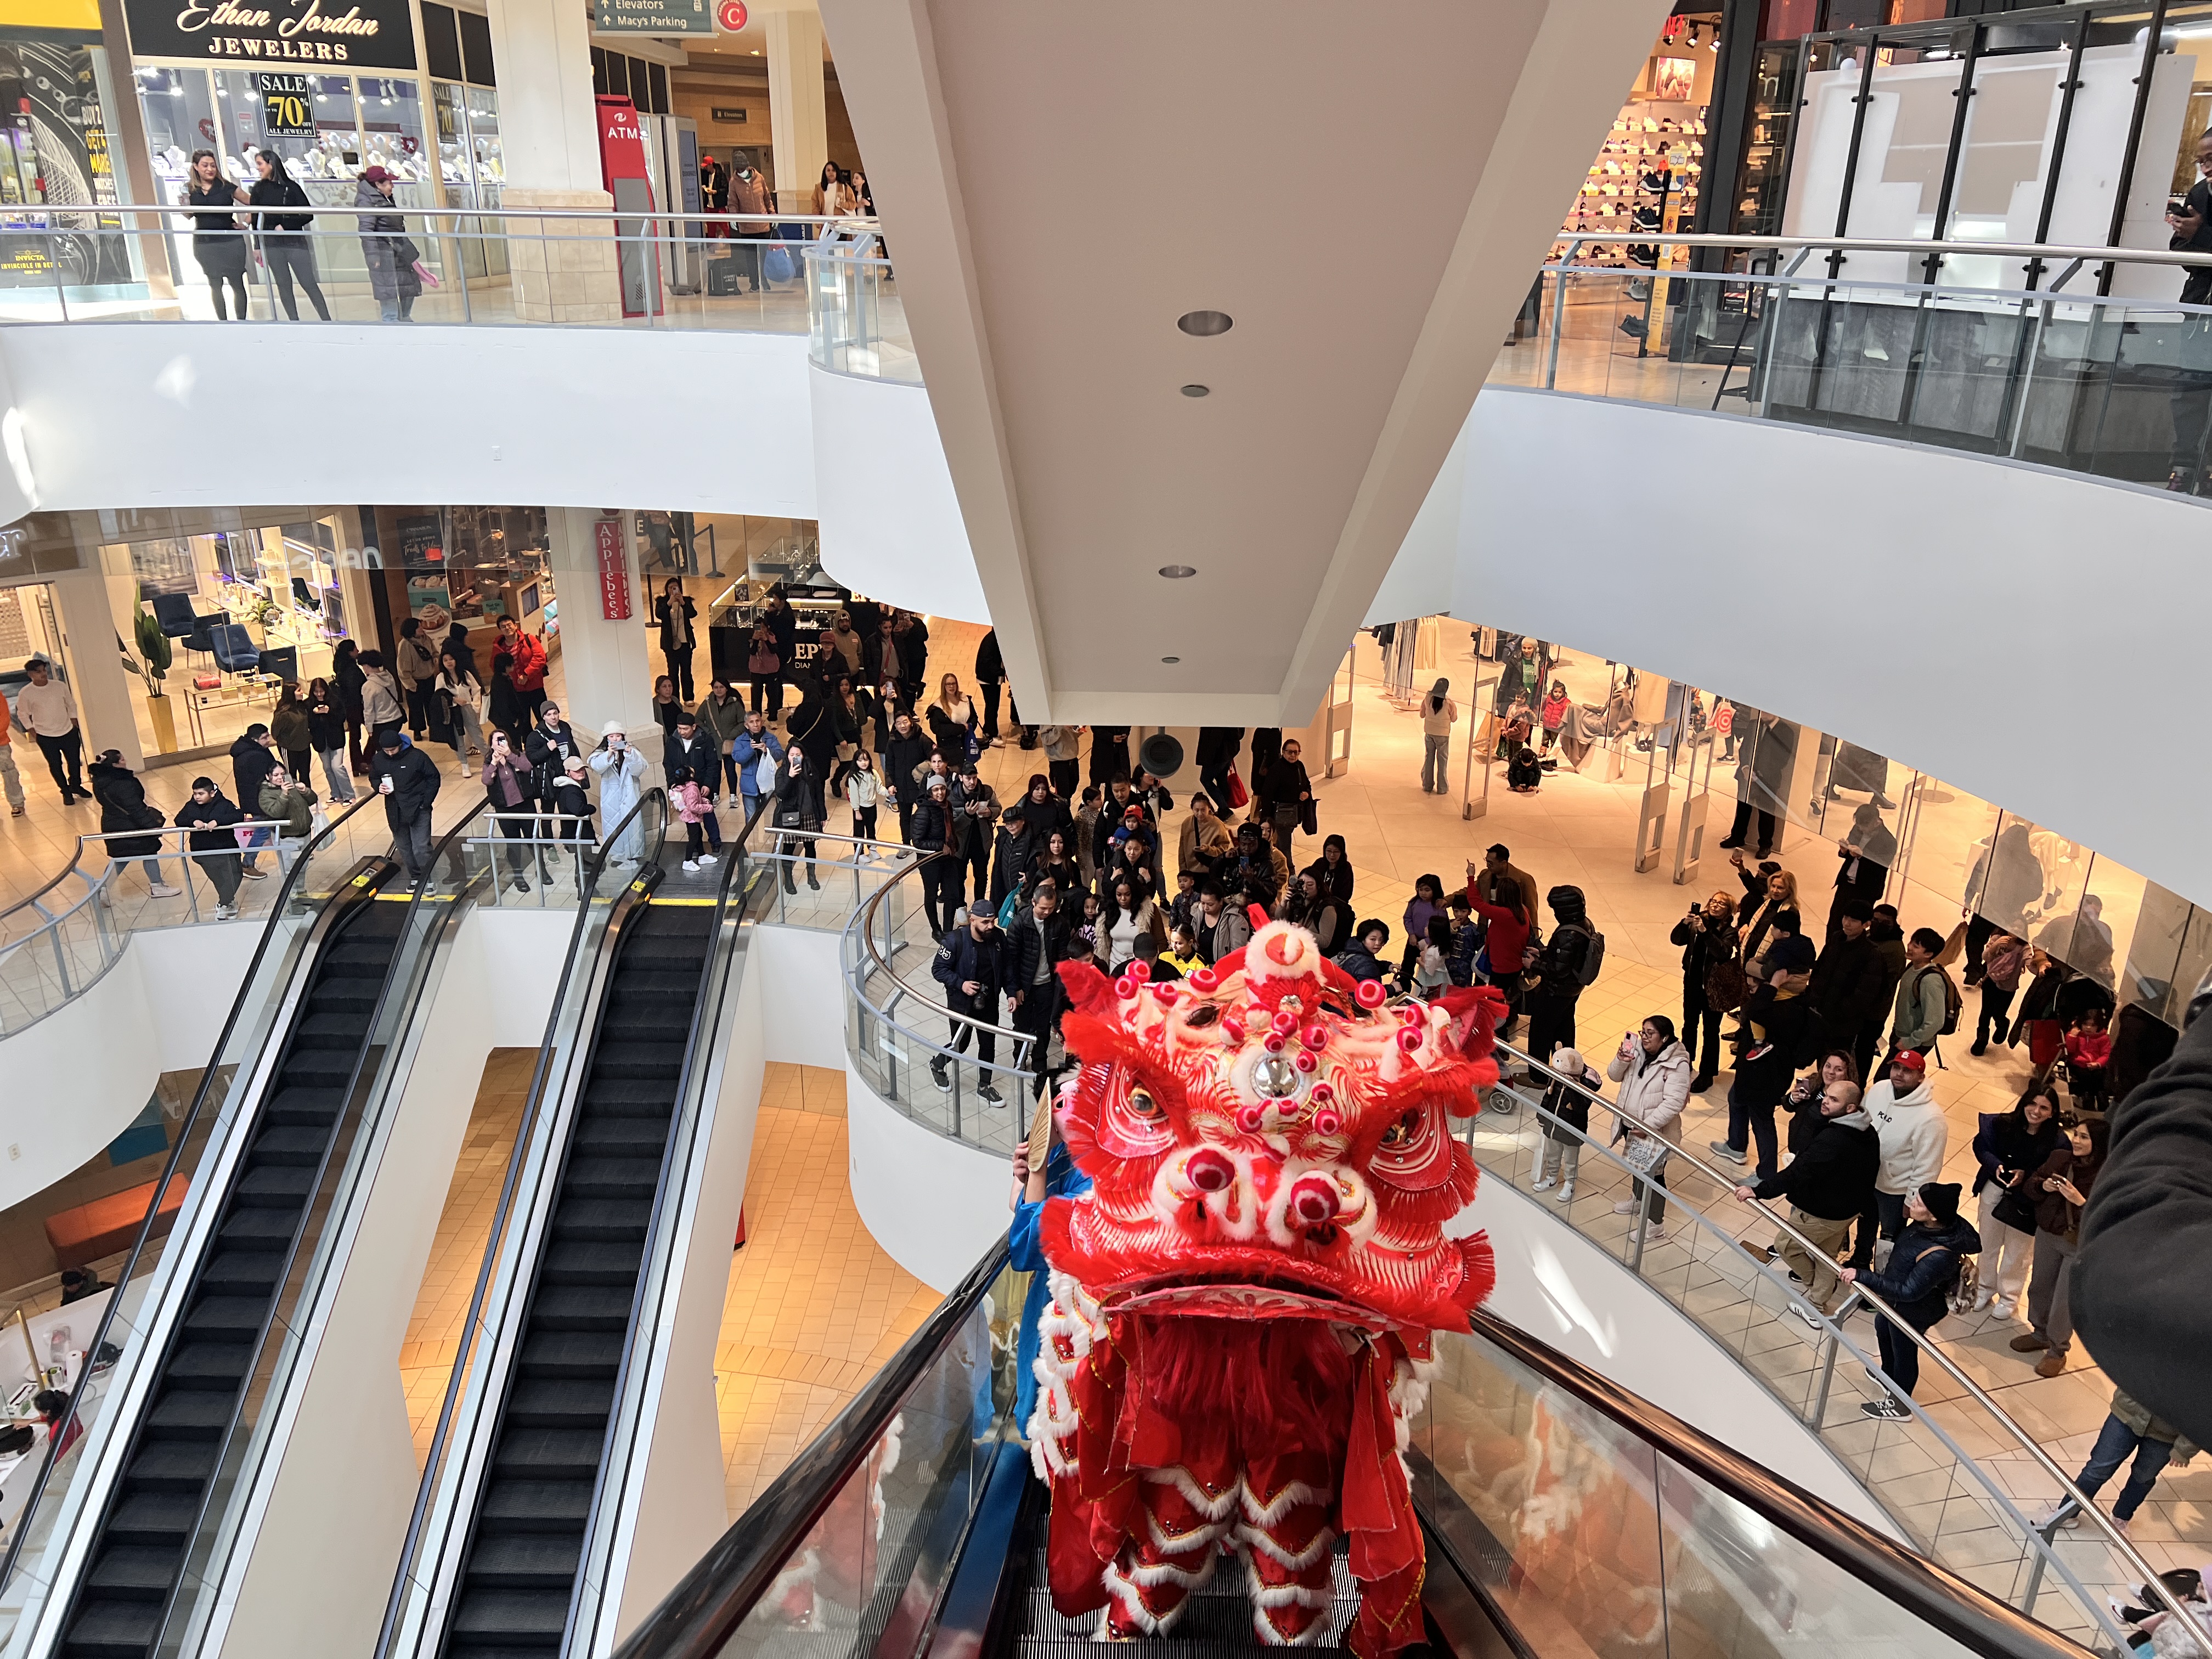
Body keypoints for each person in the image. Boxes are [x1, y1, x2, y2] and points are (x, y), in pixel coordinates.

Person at [1733, 1077, 1878, 1324]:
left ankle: (1818, 1289)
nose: (1826, 1102)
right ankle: (1817, 1303)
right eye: (1827, 1095)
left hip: (1821, 1212)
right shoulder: (1867, 1131)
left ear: (1851, 1108)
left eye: (1834, 1100)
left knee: (1786, 1245)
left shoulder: (1834, 1139)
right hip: (1846, 1210)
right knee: (1826, 1254)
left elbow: (1799, 1171)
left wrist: (1760, 1190)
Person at [1839, 1182, 1979, 1418]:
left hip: (1916, 1308)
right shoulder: (1925, 1227)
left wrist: (1864, 1276)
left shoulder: (1940, 1255)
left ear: (1933, 1216)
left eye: (1919, 1203)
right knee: (1882, 1327)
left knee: (1904, 1348)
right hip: (1895, 1300)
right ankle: (1888, 1374)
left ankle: (1900, 1404)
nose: (1912, 1202)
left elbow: (1909, 1291)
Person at [2013, 1116, 2107, 1377]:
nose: (2076, 1140)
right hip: (2048, 1234)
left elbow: (2106, 1215)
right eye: (2075, 1134)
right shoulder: (2059, 1158)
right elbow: (2032, 1186)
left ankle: (2057, 1350)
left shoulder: (2106, 1175)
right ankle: (2040, 1332)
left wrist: (2080, 1201)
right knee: (2040, 1286)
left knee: (2064, 1300)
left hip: (2078, 1242)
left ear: (2097, 1143)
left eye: (2084, 1137)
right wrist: (2042, 1186)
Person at [2038, 1390, 2200, 1540]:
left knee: (2143, 1477)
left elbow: (2205, 1409)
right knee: (2097, 1468)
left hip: (2168, 1434)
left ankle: (2121, 1518)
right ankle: (2067, 1512)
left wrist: (2185, 1449)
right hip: (2127, 1413)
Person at [1970, 1085, 2064, 1317]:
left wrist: (2027, 1175)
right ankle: (1983, 1288)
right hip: (1995, 1189)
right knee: (1987, 1244)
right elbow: (1980, 1146)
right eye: (2032, 1104)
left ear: (2052, 1113)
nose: (2036, 1111)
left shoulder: (2058, 1142)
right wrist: (1995, 1165)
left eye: (2044, 1108)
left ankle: (2009, 1297)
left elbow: (2055, 1170)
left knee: (2018, 1253)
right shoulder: (2003, 1124)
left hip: (2028, 1202)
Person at [1857, 1050, 1947, 1268]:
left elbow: (1927, 1167)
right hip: (1867, 1178)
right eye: (1896, 1067)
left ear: (1921, 1077)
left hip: (1895, 1191)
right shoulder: (1879, 1089)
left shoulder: (1931, 1118)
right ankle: (1859, 1263)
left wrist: (1912, 1201)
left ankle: (1884, 1281)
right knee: (1865, 1223)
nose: (1898, 1074)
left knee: (1890, 1236)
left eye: (1907, 1071)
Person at [1607, 1016, 1692, 1243]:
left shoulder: (1678, 1063)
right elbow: (1614, 1076)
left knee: (1654, 1178)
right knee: (1637, 1167)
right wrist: (1621, 1060)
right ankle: (1637, 1199)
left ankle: (1656, 1225)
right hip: (1630, 1124)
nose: (1644, 1037)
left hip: (1652, 1130)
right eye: (1643, 1032)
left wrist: (1648, 1127)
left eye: (1650, 1033)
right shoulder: (1636, 1050)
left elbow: (1673, 1102)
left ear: (1664, 1038)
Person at [931, 902, 1006, 1104]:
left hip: (988, 1003)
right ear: (972, 920)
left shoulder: (998, 938)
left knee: (988, 1045)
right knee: (961, 1044)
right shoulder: (954, 941)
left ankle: (984, 1086)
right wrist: (961, 984)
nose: (991, 926)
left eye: (993, 921)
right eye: (985, 922)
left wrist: (1012, 992)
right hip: (961, 1004)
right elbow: (938, 969)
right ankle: (937, 1064)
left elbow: (1005, 968)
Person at [246, 151, 330, 321]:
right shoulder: (258, 189)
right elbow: (256, 219)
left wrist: (286, 226)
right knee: (283, 284)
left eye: (260, 164)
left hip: (294, 242)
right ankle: (294, 321)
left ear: (271, 164)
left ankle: (327, 320)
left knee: (308, 282)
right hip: (271, 243)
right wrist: (257, 246)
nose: (258, 168)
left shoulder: (291, 187)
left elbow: (307, 214)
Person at [1005, 883, 1072, 1096]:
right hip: (1025, 987)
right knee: (1022, 1025)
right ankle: (1020, 1057)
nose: (1047, 912)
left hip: (1047, 985)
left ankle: (1039, 1063)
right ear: (1033, 903)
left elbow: (1062, 957)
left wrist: (1059, 986)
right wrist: (1016, 989)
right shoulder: (1020, 923)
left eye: (1051, 908)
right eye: (1043, 908)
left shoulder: (1059, 924)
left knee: (1043, 1026)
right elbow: (1012, 961)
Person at [89, 751, 182, 898]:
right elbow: (135, 808)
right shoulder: (123, 783)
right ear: (116, 764)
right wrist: (151, 826)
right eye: (123, 759)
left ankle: (103, 888)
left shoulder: (100, 780)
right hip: (131, 825)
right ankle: (157, 886)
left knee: (120, 858)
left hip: (111, 823)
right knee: (149, 852)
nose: (126, 761)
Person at [1526, 885, 1600, 1063]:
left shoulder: (1567, 934)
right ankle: (1567, 1068)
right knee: (1564, 1030)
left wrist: (1533, 965)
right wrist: (1542, 953)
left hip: (1555, 992)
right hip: (1572, 990)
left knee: (1540, 1033)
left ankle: (1538, 1076)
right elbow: (1567, 958)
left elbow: (1558, 970)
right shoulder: (1585, 923)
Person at [1673, 891, 1739, 1092]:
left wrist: (1705, 932)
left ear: (1729, 911)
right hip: (1692, 982)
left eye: (1721, 904)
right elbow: (1676, 940)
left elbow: (1723, 953)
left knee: (1711, 1031)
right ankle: (1686, 1063)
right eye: (1714, 901)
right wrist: (1685, 924)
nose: (1715, 906)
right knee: (1689, 1025)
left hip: (1714, 987)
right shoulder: (1698, 920)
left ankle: (1708, 1073)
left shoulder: (1729, 930)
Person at [1465, 854, 1532, 1042]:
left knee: (1495, 1002)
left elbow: (1475, 902)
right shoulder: (1522, 911)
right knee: (1507, 997)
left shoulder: (1503, 914)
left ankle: (1499, 1038)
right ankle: (1506, 1023)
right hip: (1514, 964)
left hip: (1501, 967)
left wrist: (1471, 877)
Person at [181, 149, 250, 319]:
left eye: (213, 165)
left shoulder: (227, 187)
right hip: (205, 243)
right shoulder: (190, 189)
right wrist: (184, 203)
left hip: (230, 242)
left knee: (237, 283)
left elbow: (254, 202)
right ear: (196, 167)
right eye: (205, 165)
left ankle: (243, 322)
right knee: (215, 284)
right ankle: (223, 323)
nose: (210, 169)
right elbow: (189, 215)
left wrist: (246, 223)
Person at [366, 726, 441, 882]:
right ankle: (416, 877)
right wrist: (377, 786)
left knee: (421, 848)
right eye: (387, 751)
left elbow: (433, 778)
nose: (390, 753)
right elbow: (373, 777)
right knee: (404, 848)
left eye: (393, 749)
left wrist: (426, 802)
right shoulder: (379, 760)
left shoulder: (417, 757)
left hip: (419, 808)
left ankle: (428, 879)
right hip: (395, 811)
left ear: (400, 744)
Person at [1532, 1047, 1601, 1202]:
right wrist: (1542, 1116)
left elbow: (1581, 1107)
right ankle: (1552, 1177)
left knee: (1571, 1159)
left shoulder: (1585, 1085)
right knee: (1552, 1153)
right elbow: (1548, 1096)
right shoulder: (1557, 1076)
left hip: (1572, 1128)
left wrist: (1571, 1087)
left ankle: (1570, 1183)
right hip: (1553, 1123)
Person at [14, 657, 87, 803]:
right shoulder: (26, 693)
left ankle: (76, 786)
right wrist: (32, 731)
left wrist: (74, 721)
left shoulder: (59, 686)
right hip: (46, 735)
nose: (43, 674)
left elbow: (71, 704)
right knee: (55, 765)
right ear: (31, 675)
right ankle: (65, 792)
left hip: (67, 731)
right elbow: (22, 714)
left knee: (74, 762)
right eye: (38, 672)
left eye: (44, 670)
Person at [354, 165, 421, 321]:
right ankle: (391, 322)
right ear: (378, 184)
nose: (392, 186)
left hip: (399, 251)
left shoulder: (384, 198)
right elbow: (366, 230)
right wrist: (373, 256)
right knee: (388, 291)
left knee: (408, 287)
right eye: (389, 183)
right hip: (384, 253)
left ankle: (404, 318)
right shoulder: (367, 201)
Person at [174, 775, 246, 917]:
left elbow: (238, 816)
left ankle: (224, 903)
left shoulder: (224, 804)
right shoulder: (191, 807)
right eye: (195, 793)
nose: (197, 797)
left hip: (226, 848)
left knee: (235, 876)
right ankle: (228, 903)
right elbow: (179, 819)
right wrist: (192, 821)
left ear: (212, 793)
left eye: (201, 794)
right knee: (219, 879)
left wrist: (218, 821)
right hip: (203, 852)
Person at [1828, 804, 1897, 945]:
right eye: (1858, 825)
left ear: (1876, 821)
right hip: (1846, 884)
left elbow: (1882, 866)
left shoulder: (1889, 841)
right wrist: (1844, 851)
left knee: (1855, 926)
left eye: (1864, 826)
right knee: (1835, 922)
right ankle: (1830, 950)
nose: (1861, 829)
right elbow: (1849, 853)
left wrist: (1861, 856)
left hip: (1866, 889)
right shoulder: (1857, 829)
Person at [1886, 928, 1953, 1070]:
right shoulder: (1912, 967)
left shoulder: (1931, 981)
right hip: (1901, 1034)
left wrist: (1910, 1041)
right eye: (1911, 942)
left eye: (1916, 946)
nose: (1909, 946)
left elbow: (1935, 1022)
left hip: (1915, 1042)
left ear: (1929, 954)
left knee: (1887, 1079)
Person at [665, 712, 723, 873]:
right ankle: (696, 852)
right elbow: (668, 764)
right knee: (692, 822)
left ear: (694, 727)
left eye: (685, 729)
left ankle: (715, 844)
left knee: (708, 816)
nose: (682, 732)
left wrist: (708, 785)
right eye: (679, 728)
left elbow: (713, 765)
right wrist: (672, 783)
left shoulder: (705, 740)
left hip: (702, 787)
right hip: (683, 788)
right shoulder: (673, 741)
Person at [482, 729, 539, 891]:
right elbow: (486, 780)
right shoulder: (488, 761)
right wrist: (494, 764)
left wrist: (510, 755)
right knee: (513, 843)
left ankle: (541, 869)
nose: (500, 743)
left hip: (525, 805)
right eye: (496, 741)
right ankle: (518, 876)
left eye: (503, 739)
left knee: (533, 839)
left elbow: (527, 767)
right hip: (504, 809)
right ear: (491, 744)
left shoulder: (516, 755)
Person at [590, 722, 648, 865]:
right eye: (611, 736)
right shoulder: (600, 753)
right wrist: (608, 755)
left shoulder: (632, 750)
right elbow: (596, 767)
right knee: (613, 827)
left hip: (629, 796)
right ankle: (617, 855)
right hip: (611, 798)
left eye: (618, 736)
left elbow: (639, 770)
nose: (615, 739)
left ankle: (634, 855)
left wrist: (630, 755)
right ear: (606, 738)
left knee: (632, 827)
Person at [228, 723, 278, 878]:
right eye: (265, 738)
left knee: (275, 827)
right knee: (263, 831)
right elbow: (266, 779)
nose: (268, 740)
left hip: (252, 799)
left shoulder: (246, 750)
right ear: (255, 739)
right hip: (261, 801)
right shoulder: (255, 756)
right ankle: (247, 864)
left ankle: (295, 850)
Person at [949, 761, 1000, 906]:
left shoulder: (986, 791)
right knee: (959, 878)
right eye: (968, 778)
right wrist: (967, 814)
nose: (972, 782)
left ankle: (979, 905)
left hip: (982, 843)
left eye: (974, 778)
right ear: (961, 778)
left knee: (982, 877)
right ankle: (960, 906)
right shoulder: (952, 796)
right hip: (960, 845)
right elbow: (952, 825)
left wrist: (990, 812)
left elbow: (997, 808)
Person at [1972, 930, 2028, 1056]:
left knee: (1998, 1013)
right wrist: (1996, 946)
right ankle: (1981, 1040)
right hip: (1990, 981)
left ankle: (2003, 1024)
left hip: (2008, 988)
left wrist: (2041, 966)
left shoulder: (2024, 948)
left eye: (2019, 928)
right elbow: (1985, 957)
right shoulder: (1998, 938)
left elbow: (2030, 962)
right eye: (2013, 926)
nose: (2015, 930)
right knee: (1986, 1012)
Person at [1098, 878, 1165, 973]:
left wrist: (1151, 961)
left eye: (1127, 894)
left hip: (1142, 964)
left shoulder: (1149, 910)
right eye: (1119, 895)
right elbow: (1103, 941)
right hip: (1115, 962)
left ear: (1134, 893)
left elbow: (1161, 941)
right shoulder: (1108, 910)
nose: (1123, 899)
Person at [304, 679, 355, 805]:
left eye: (321, 691)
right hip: (321, 742)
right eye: (316, 692)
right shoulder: (308, 704)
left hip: (336, 740)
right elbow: (309, 724)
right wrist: (315, 714)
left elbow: (341, 719)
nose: (319, 694)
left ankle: (349, 795)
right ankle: (336, 794)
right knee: (328, 768)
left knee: (337, 767)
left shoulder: (335, 701)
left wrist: (329, 712)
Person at [1399, 874, 1448, 991]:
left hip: (1431, 945)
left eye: (1427, 890)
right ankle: (1402, 993)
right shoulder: (1414, 902)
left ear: (1435, 890)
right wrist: (1411, 934)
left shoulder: (1439, 907)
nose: (1423, 893)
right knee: (1406, 969)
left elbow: (1442, 929)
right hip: (1413, 941)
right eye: (1420, 890)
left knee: (1428, 973)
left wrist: (1426, 941)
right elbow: (1408, 918)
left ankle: (1425, 994)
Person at [437, 645, 486, 761]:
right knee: (458, 737)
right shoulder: (441, 677)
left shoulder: (465, 674)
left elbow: (476, 689)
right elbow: (439, 695)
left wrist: (475, 705)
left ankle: (488, 757)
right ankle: (464, 762)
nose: (449, 662)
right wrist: (453, 700)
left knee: (476, 733)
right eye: (445, 660)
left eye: (451, 659)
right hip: (453, 711)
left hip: (468, 708)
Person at [655, 577, 699, 703]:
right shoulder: (662, 602)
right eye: (671, 588)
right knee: (673, 672)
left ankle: (689, 698)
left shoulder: (685, 601)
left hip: (685, 642)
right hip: (670, 643)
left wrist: (683, 602)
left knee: (687, 671)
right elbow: (659, 614)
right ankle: (674, 698)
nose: (673, 590)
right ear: (667, 589)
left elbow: (693, 614)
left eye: (676, 588)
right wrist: (670, 602)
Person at [497, 617, 549, 722]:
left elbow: (540, 657)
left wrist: (526, 675)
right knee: (523, 722)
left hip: (535, 687)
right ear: (500, 630)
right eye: (503, 627)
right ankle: (529, 739)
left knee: (543, 718)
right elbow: (496, 666)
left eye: (509, 625)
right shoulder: (499, 648)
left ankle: (547, 738)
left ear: (515, 626)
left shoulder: (528, 639)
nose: (507, 628)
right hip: (516, 690)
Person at [396, 618, 439, 739]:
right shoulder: (405, 644)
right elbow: (403, 668)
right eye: (419, 627)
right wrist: (411, 685)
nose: (422, 629)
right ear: (411, 630)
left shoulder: (426, 639)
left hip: (429, 678)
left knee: (431, 705)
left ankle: (434, 729)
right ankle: (417, 731)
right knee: (416, 708)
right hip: (415, 681)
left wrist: (436, 658)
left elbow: (435, 652)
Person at [2066, 1007, 2114, 1114]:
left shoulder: (2103, 1037)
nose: (2088, 1028)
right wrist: (2072, 1037)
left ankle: (2101, 1095)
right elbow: (2070, 1051)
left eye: (2093, 1025)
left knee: (2101, 1075)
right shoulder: (2077, 1035)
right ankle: (2088, 1096)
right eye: (2086, 1024)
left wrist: (2098, 1063)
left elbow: (2106, 1054)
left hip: (2096, 1065)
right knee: (2086, 1076)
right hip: (2078, 1063)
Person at [1192, 881, 1251, 965]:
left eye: (1210, 904)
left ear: (1221, 902)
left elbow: (1237, 954)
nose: (1205, 908)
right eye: (1203, 903)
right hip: (1198, 965)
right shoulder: (1198, 913)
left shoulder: (1235, 920)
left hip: (1220, 969)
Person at [359, 650, 406, 749]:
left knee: (384, 752)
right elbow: (395, 696)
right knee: (395, 747)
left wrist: (369, 729)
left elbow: (369, 710)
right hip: (396, 718)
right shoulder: (389, 677)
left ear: (367, 666)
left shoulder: (368, 686)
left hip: (381, 723)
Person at [268, 681, 313, 784]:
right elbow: (275, 733)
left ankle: (308, 797)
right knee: (291, 775)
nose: (302, 692)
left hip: (304, 746)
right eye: (299, 691)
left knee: (305, 774)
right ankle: (293, 798)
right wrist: (287, 741)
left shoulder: (302, 707)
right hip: (289, 748)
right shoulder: (283, 714)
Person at [1419, 679, 1458, 793]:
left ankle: (1427, 784)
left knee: (1429, 757)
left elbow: (1422, 714)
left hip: (1429, 732)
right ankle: (1442, 788)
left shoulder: (1428, 698)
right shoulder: (1448, 703)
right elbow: (1454, 718)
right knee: (1442, 761)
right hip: (1443, 735)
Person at [1194, 727, 1243, 814]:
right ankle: (1224, 810)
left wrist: (1208, 757)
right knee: (1221, 780)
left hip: (1217, 754)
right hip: (1226, 752)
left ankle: (1224, 809)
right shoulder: (1234, 718)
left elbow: (1215, 738)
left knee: (1206, 780)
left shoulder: (1219, 719)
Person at [1334, 919, 1392, 984]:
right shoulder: (1365, 963)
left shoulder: (1354, 947)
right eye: (1373, 939)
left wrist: (1387, 967)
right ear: (1363, 938)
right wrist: (1393, 988)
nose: (1378, 943)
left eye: (1381, 940)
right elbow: (1373, 992)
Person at [843, 747, 882, 842]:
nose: (863, 763)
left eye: (866, 759)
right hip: (860, 808)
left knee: (871, 828)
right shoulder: (854, 778)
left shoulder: (873, 773)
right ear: (855, 762)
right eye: (860, 760)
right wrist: (857, 811)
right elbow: (854, 797)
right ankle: (860, 853)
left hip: (872, 806)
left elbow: (880, 788)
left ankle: (872, 848)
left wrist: (889, 792)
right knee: (859, 832)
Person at [1539, 680, 1570, 754]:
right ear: (1552, 691)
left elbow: (1566, 714)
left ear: (1564, 693)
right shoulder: (1549, 699)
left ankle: (1552, 756)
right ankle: (1543, 752)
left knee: (1554, 742)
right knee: (1544, 740)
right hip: (1546, 725)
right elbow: (1543, 707)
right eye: (1555, 692)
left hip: (1556, 727)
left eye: (1560, 692)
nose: (1557, 694)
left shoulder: (1565, 703)